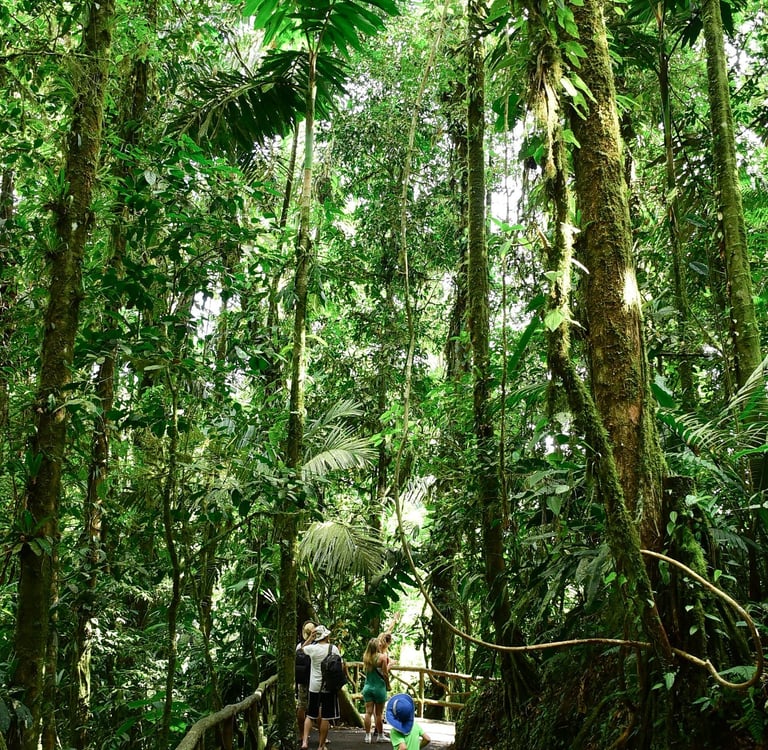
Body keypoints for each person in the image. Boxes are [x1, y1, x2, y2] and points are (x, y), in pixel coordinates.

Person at [301, 624, 341, 750]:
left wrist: (310, 638)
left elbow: (302, 649)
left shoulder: (312, 649)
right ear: (326, 636)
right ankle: (321, 745)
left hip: (314, 686)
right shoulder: (333, 649)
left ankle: (304, 742)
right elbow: (340, 664)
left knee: (310, 715)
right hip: (328, 686)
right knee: (325, 717)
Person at [362, 637, 390, 743]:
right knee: (378, 713)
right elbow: (385, 674)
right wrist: (388, 685)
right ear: (376, 646)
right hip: (379, 687)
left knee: (368, 712)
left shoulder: (366, 657)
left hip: (368, 687)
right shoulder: (382, 657)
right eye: (379, 644)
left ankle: (367, 736)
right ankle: (380, 735)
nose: (380, 645)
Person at [296, 620, 316, 736]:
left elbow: (298, 653)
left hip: (303, 679)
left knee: (302, 706)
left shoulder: (300, 645)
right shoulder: (317, 646)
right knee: (317, 707)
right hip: (315, 679)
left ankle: (302, 733)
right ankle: (320, 737)